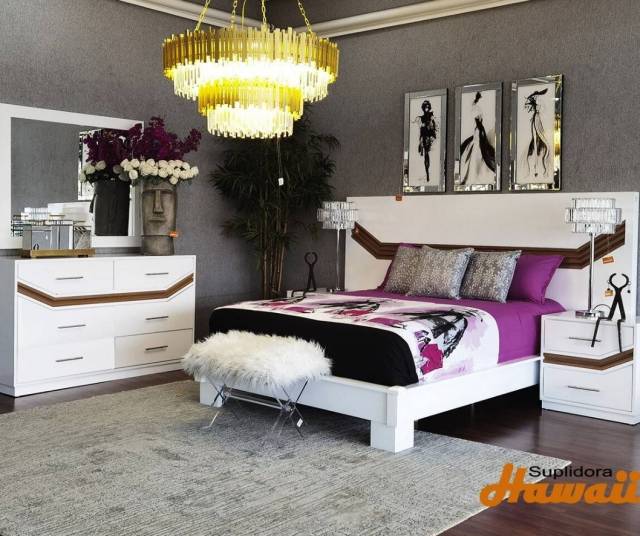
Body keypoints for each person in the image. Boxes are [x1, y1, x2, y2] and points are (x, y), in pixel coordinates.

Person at [459, 91, 496, 186]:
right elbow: (478, 120)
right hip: (479, 131)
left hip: (478, 130)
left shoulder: (476, 107)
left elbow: (478, 119)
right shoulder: (477, 109)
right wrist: (481, 130)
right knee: (477, 152)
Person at [415, 100, 438, 182]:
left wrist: (432, 133)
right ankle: (427, 173)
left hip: (431, 137)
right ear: (423, 108)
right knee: (426, 154)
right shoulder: (421, 118)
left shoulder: (432, 117)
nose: (426, 108)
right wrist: (420, 141)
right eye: (425, 107)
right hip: (425, 137)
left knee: (427, 154)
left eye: (428, 107)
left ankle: (428, 173)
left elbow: (435, 128)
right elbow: (420, 131)